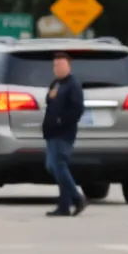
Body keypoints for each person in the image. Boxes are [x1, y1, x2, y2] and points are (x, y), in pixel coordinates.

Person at [43, 52, 86, 216]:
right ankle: (64, 205)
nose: (57, 68)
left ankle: (76, 198)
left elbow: (77, 109)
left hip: (63, 132)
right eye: (55, 65)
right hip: (51, 132)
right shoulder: (56, 83)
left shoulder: (73, 84)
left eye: (61, 64)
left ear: (68, 66)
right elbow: (50, 101)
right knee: (53, 166)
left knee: (58, 165)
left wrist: (62, 121)